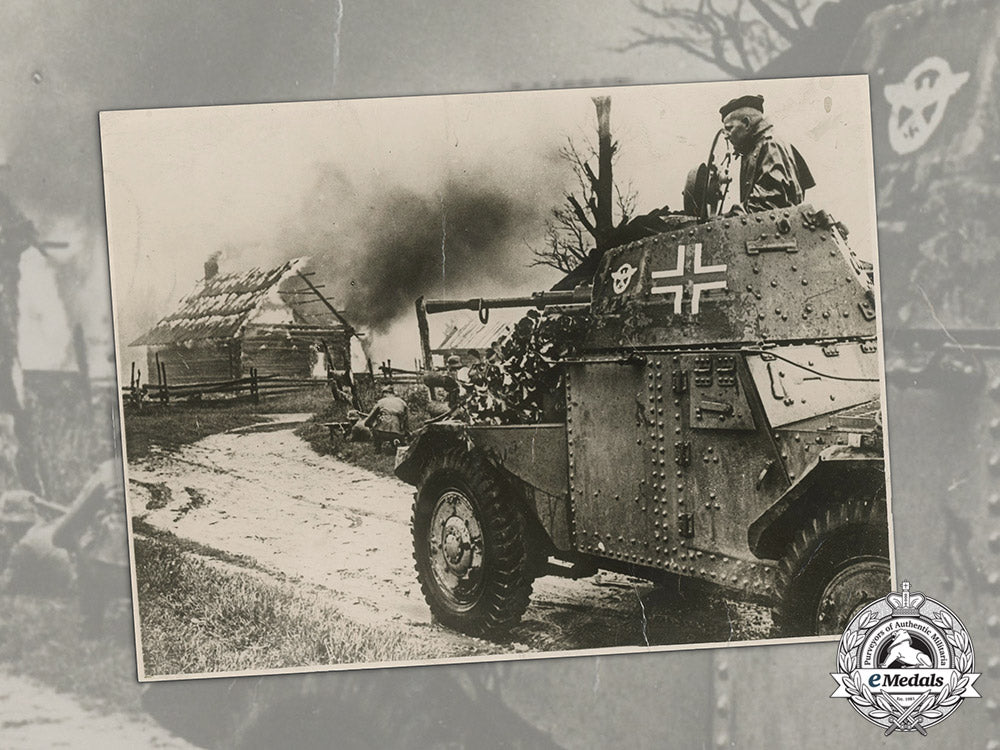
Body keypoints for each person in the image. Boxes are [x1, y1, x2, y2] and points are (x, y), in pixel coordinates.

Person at [719, 94, 815, 214]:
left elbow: (768, 202)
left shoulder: (770, 144)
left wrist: (728, 217)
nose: (726, 136)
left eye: (729, 128)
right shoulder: (761, 145)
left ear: (746, 123)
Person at [364, 385, 409, 455]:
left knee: (375, 429)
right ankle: (396, 444)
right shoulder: (402, 402)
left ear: (387, 393)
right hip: (398, 433)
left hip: (382, 432)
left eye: (384, 393)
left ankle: (377, 449)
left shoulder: (381, 402)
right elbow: (406, 419)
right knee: (396, 430)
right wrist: (405, 431)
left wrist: (367, 424)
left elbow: (371, 416)